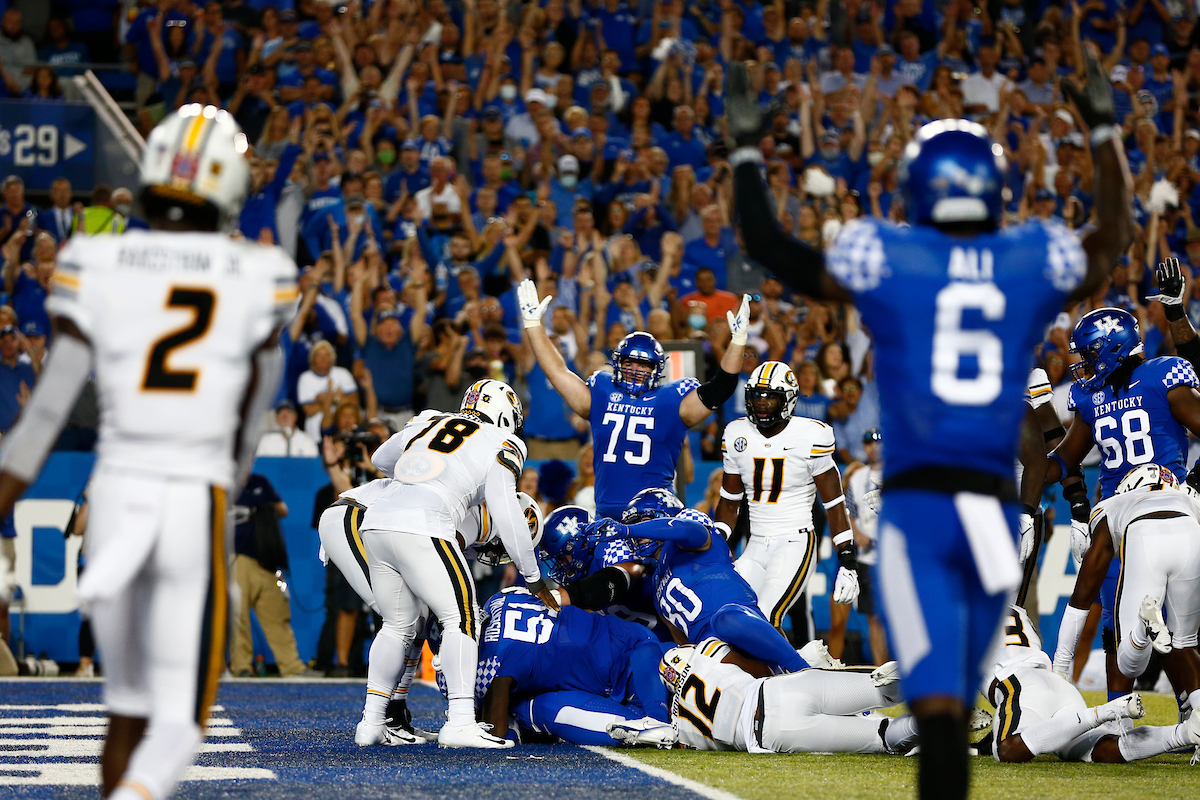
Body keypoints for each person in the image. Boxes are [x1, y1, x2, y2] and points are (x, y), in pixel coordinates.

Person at [728, 45, 1129, 799]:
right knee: (959, 715)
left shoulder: (890, 253)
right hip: (989, 511)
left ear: (917, 186)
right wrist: (1105, 135)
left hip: (916, 508)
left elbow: (770, 246)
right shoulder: (1024, 255)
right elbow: (1112, 238)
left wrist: (748, 154)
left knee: (940, 725)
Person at [0, 104, 296, 800]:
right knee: (180, 726)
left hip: (115, 491)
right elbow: (250, 416)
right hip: (191, 495)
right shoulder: (259, 274)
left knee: (125, 709)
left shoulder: (95, 260)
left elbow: (45, 411)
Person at [355, 380, 557, 749]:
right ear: (505, 414)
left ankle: (370, 721)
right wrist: (533, 576)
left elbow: (381, 460)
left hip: (376, 522)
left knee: (396, 624)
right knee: (462, 618)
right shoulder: (503, 440)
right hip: (424, 523)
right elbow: (504, 505)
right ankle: (461, 722)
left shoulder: (430, 420)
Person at [518, 281, 751, 519]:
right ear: (619, 364)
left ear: (656, 370)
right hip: (607, 517)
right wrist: (534, 326)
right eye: (629, 363)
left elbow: (721, 388)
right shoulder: (603, 392)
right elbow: (558, 371)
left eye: (643, 365)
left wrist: (738, 341)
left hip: (655, 517)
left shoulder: (671, 399)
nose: (635, 370)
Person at [714, 360, 860, 635]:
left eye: (771, 396)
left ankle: (796, 671)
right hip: (754, 544)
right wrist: (717, 543)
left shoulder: (811, 436)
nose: (762, 402)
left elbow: (835, 504)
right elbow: (729, 500)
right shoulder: (736, 433)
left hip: (794, 541)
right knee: (725, 613)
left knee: (766, 617)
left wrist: (848, 562)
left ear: (789, 400)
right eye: (757, 395)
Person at [600, 489, 810, 674]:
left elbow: (683, 529)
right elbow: (681, 640)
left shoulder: (689, 540)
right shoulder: (656, 584)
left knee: (726, 620)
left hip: (739, 622)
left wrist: (628, 530)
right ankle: (768, 681)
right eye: (633, 526)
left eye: (645, 522)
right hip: (712, 650)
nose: (639, 534)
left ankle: (802, 669)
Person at [1051, 464, 1200, 713]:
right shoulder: (1189, 498)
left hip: (1144, 532)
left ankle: (1144, 627)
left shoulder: (1112, 505)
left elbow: (1081, 600)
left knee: (1130, 664)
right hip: (1189, 531)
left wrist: (1060, 666)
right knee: (1186, 644)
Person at [986, 605, 1198, 763]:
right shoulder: (1016, 610)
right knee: (1103, 749)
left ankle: (1104, 713)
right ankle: (1185, 732)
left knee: (1007, 750)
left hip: (1019, 682)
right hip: (1056, 687)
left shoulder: (965, 609)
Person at [475, 588, 677, 747]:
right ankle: (651, 720)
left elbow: (496, 734)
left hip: (625, 671)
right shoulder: (499, 598)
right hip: (635, 641)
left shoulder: (492, 665)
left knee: (527, 709)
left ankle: (650, 722)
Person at [660, 638, 917, 753]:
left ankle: (933, 728)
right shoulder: (706, 651)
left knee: (882, 735)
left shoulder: (678, 724)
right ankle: (938, 676)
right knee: (880, 687)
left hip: (774, 734)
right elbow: (761, 670)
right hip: (780, 690)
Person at [230, 473, 311, 678]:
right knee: (237, 615)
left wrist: (259, 508)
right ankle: (241, 667)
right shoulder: (224, 482)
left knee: (277, 613)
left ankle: (291, 667)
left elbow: (282, 509)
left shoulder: (260, 482)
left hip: (266, 559)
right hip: (237, 559)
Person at [832, 428, 888, 665]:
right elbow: (850, 514)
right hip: (868, 558)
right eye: (868, 443)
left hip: (897, 558)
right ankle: (881, 671)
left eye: (878, 442)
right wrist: (856, 533)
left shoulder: (898, 472)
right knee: (874, 618)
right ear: (864, 447)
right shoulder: (856, 477)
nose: (874, 447)